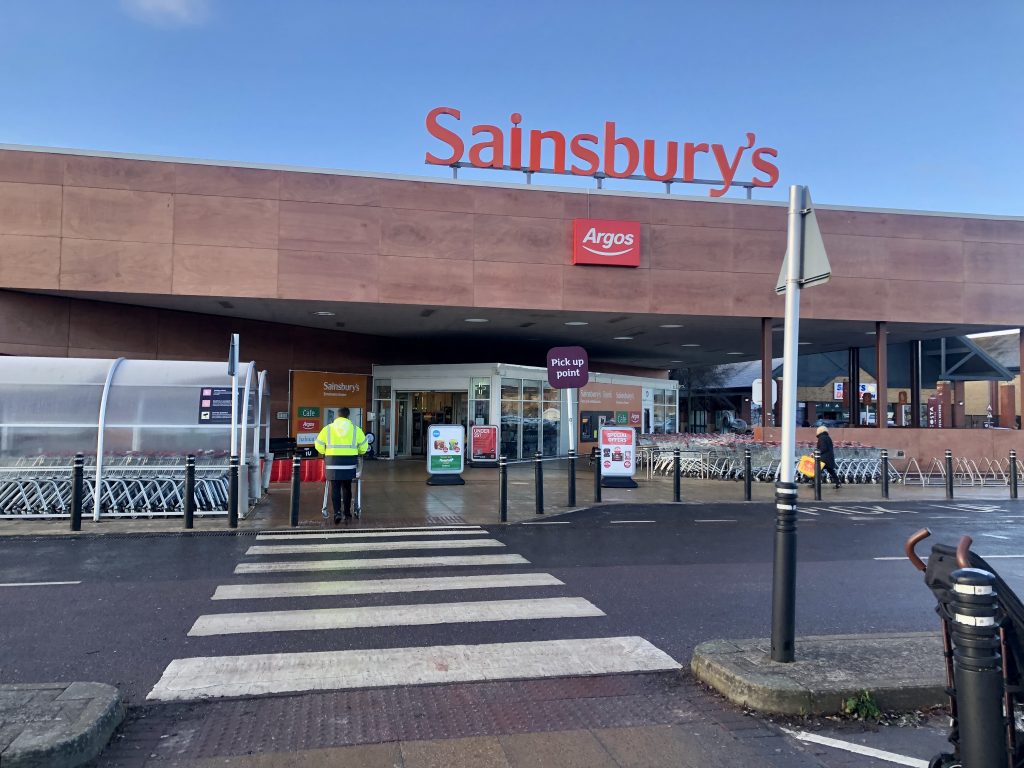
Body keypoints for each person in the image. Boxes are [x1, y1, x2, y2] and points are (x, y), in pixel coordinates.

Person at [314, 408, 368, 523]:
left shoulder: (327, 429)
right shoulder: (355, 429)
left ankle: (337, 512)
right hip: (349, 464)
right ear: (348, 416)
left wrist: (325, 451)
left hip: (332, 463)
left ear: (337, 416)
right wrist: (358, 451)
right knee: (347, 487)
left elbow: (318, 445)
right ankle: (347, 513)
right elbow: (364, 448)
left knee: (335, 487)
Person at [815, 425, 841, 489]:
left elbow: (823, 448)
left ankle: (815, 483)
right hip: (829, 457)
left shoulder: (822, 438)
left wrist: (815, 453)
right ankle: (838, 483)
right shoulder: (827, 437)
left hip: (824, 458)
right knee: (830, 470)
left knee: (817, 470)